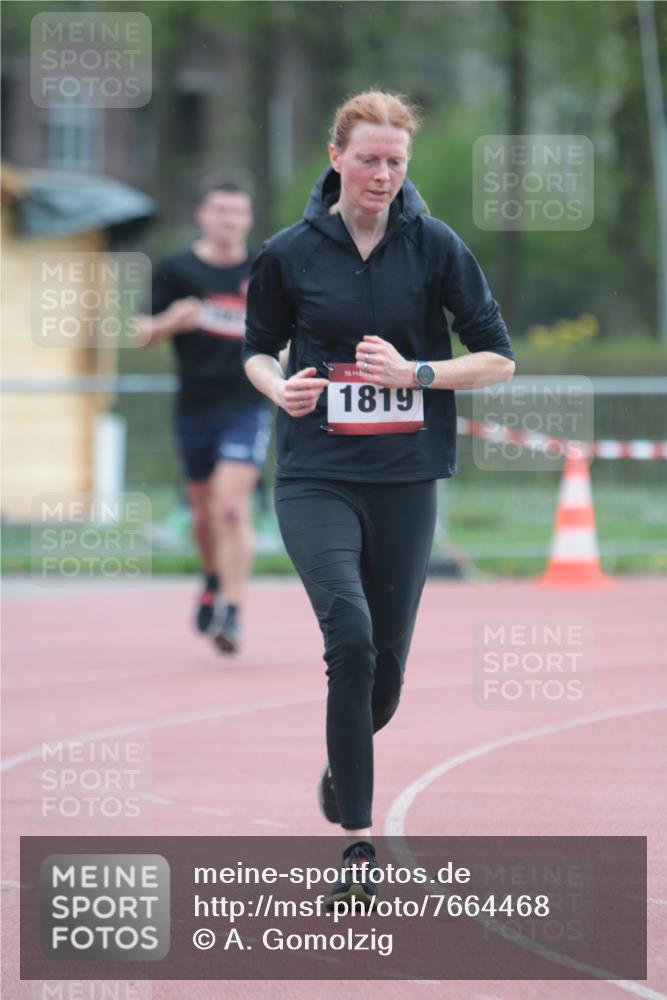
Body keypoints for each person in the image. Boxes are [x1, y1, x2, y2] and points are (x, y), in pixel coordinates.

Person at [243, 91, 515, 906]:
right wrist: (277, 387)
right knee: (349, 637)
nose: (383, 174)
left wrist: (418, 374)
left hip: (404, 478)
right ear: (336, 159)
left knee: (383, 682)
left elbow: (498, 358)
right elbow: (256, 351)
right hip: (315, 473)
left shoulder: (433, 247)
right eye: (368, 159)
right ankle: (358, 845)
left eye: (396, 162)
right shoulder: (289, 252)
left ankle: (344, 758)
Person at [136, 182, 271, 654]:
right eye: (220, 210)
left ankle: (232, 612)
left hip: (247, 405)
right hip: (194, 407)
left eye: (238, 211)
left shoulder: (264, 268)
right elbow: (137, 332)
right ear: (202, 215)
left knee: (231, 507)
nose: (229, 219)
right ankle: (213, 578)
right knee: (203, 512)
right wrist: (169, 321)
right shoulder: (176, 269)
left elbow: (291, 330)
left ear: (248, 219)